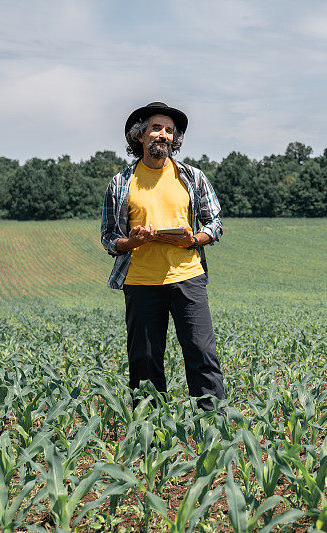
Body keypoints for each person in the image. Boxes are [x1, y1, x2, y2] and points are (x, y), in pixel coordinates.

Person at [100, 101, 225, 411]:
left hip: (188, 278)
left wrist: (193, 239)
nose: (164, 135)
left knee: (202, 353)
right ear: (140, 136)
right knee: (144, 361)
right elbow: (108, 238)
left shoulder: (192, 177)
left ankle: (212, 427)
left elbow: (215, 224)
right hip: (141, 283)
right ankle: (149, 432)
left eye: (170, 131)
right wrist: (131, 242)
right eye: (157, 128)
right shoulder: (120, 183)